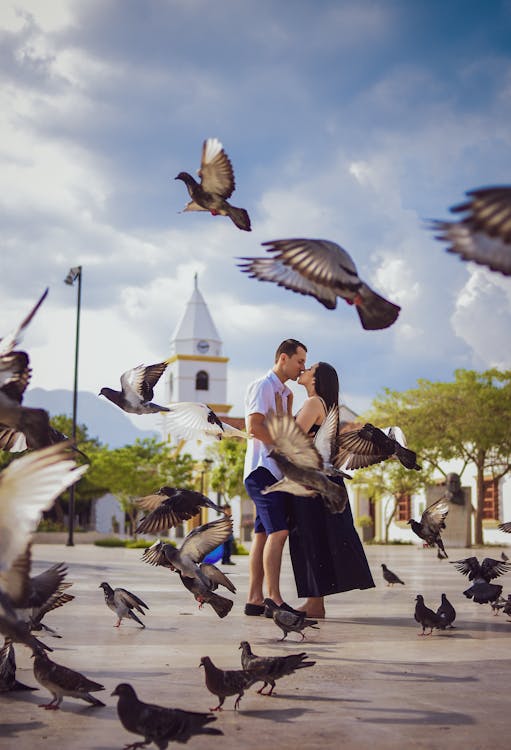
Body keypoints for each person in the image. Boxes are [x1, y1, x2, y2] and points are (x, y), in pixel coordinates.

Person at [289, 361, 375, 618]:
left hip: (312, 481)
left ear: (316, 379)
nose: (303, 370)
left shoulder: (314, 403)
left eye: (309, 368)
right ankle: (316, 603)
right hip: (325, 481)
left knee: (309, 539)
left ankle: (315, 603)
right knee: (317, 539)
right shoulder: (328, 406)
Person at [243, 338, 308, 616]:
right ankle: (274, 599)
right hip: (262, 470)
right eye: (299, 361)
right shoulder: (263, 386)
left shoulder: (283, 393)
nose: (302, 368)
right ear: (283, 358)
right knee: (279, 532)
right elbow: (254, 426)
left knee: (262, 535)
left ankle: (254, 599)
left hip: (275, 472)